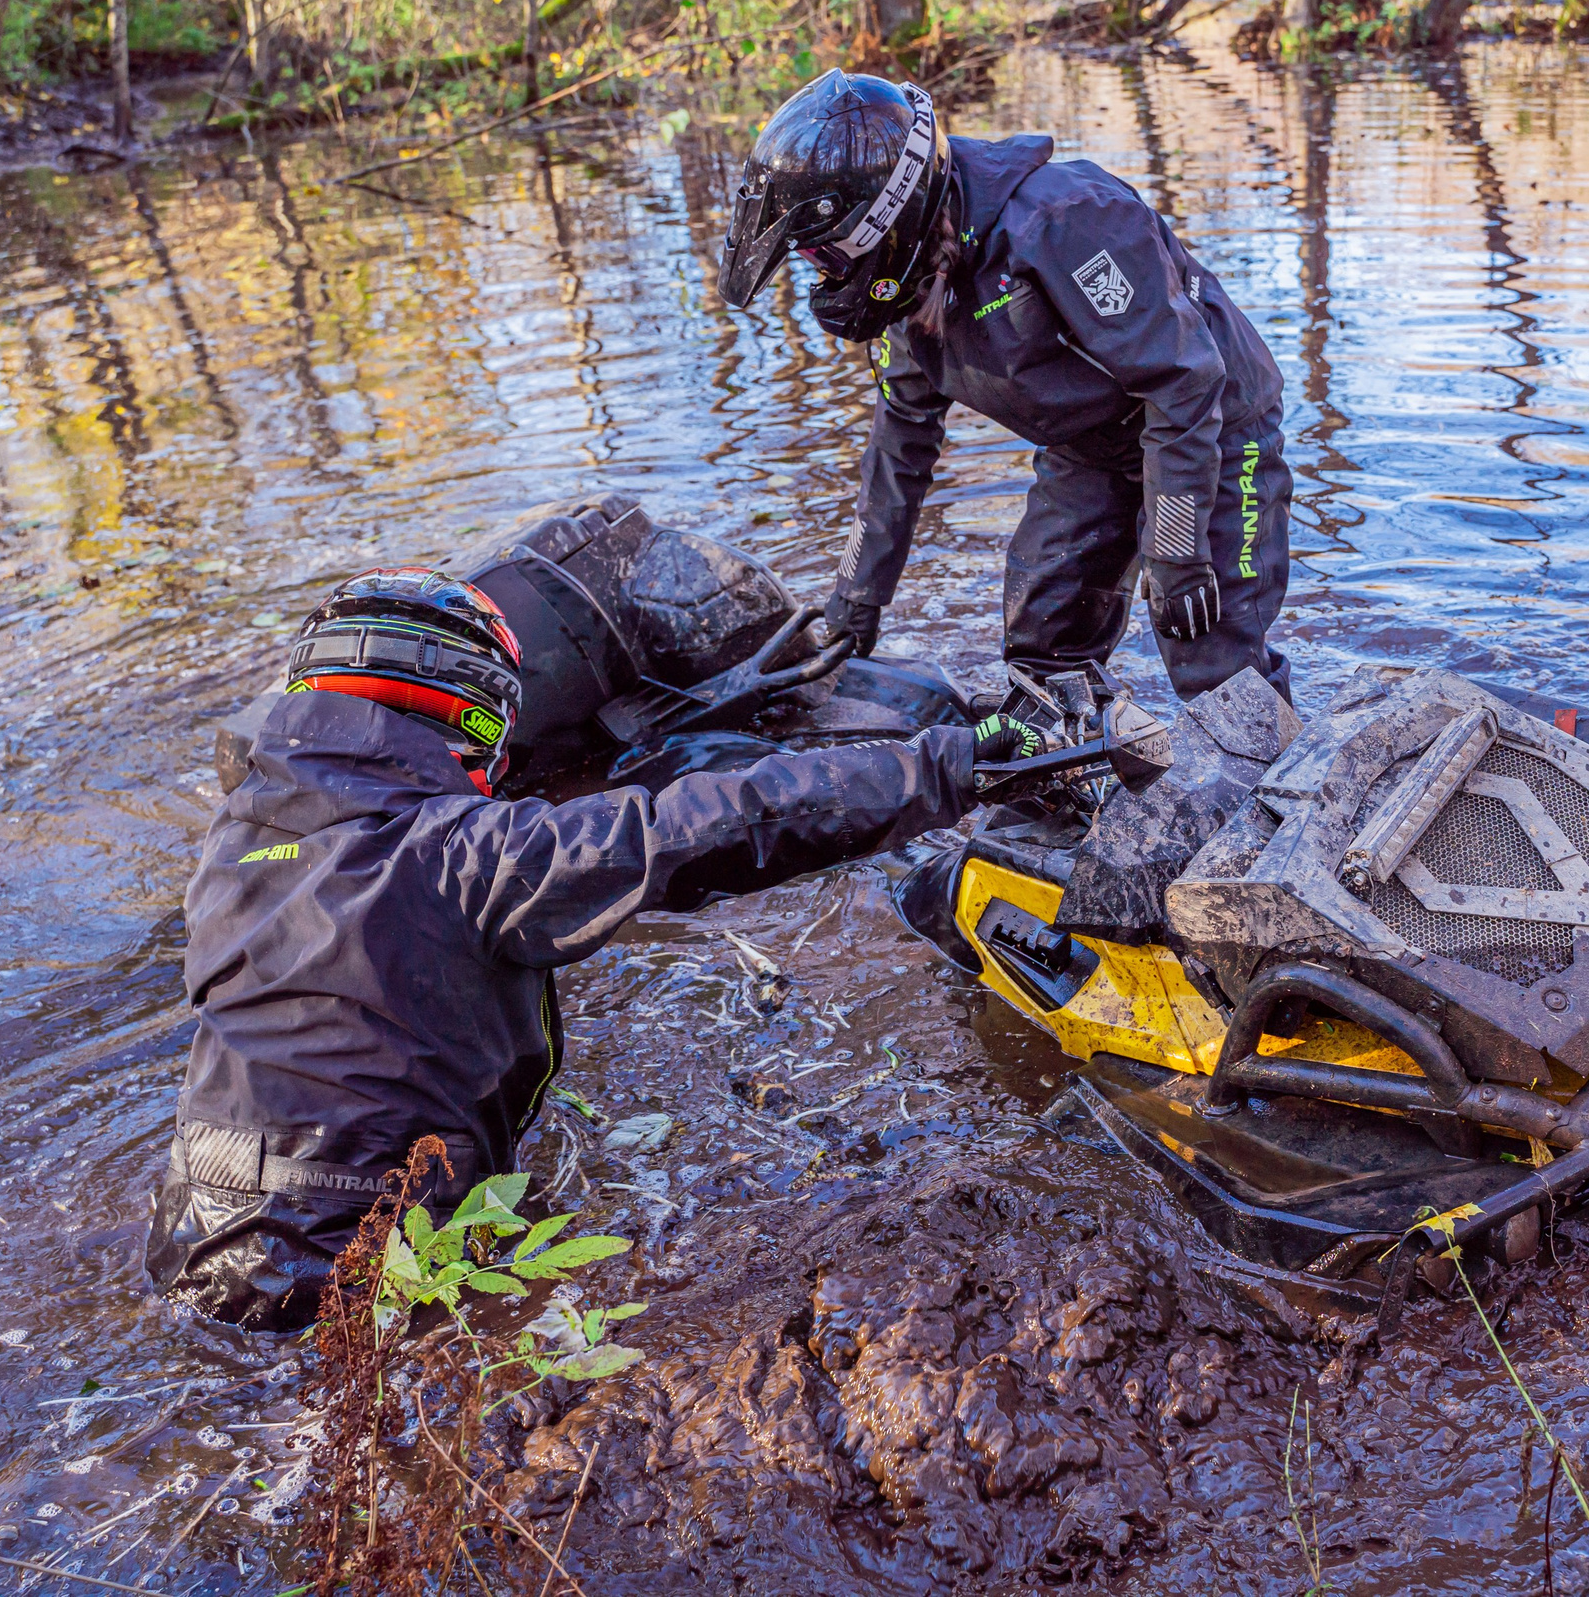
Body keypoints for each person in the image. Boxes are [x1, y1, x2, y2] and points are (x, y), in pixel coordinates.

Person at [146, 567, 1042, 1330]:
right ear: (475, 718)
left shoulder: (233, 841)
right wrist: (948, 765)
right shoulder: (459, 856)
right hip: (355, 1259)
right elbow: (703, 827)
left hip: (189, 1229)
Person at [717, 69, 1293, 707]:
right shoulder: (909, 299)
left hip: (1213, 425)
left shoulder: (1064, 219)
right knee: (1042, 646)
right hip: (1091, 446)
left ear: (887, 222)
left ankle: (1284, 791)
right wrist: (856, 596)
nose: (822, 277)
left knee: (1211, 657)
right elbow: (899, 447)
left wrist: (1177, 549)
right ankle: (1071, 787)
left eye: (824, 257)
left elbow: (1183, 380)